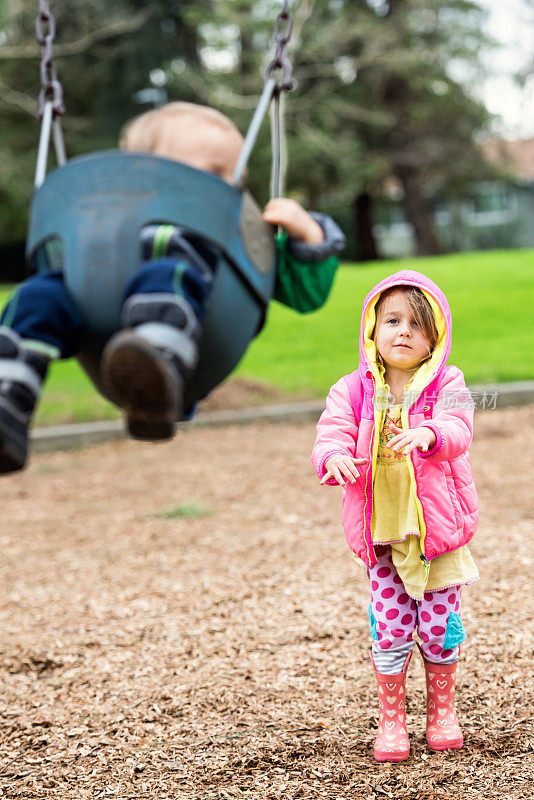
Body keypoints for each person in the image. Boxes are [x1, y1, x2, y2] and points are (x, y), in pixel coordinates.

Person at [0, 102, 345, 474]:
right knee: (36, 298)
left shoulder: (230, 238)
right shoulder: (97, 224)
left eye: (236, 178)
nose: (229, 188)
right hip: (85, 307)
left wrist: (309, 235)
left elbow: (306, 294)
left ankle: (154, 373)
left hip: (184, 336)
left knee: (170, 271)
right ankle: (9, 405)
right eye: (214, 172)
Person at [311, 270, 479, 762]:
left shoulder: (448, 380)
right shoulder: (353, 389)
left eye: (416, 324)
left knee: (437, 624)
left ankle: (441, 712)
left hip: (436, 532)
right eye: (392, 320)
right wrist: (333, 458)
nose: (403, 331)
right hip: (382, 530)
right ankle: (392, 719)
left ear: (436, 337)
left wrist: (431, 435)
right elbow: (332, 431)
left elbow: (457, 423)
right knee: (390, 626)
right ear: (372, 328)